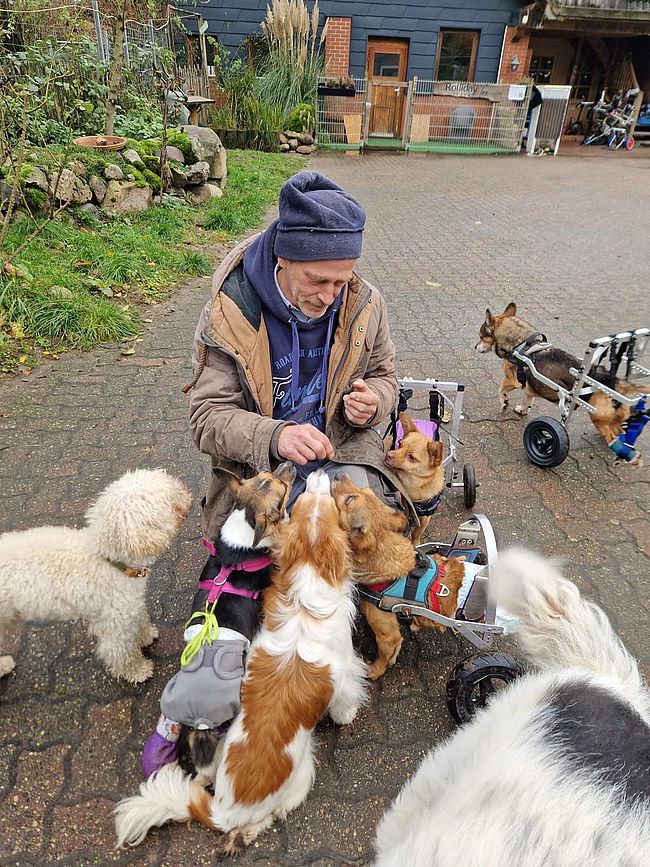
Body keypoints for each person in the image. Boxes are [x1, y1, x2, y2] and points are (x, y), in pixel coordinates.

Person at [185, 170, 408, 543]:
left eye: (340, 282)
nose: (329, 297)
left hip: (345, 450)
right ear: (283, 258)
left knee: (370, 545)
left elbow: (386, 377)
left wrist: (374, 403)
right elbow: (206, 418)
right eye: (316, 281)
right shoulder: (230, 313)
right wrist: (276, 436)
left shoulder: (366, 303)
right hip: (267, 470)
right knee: (276, 571)